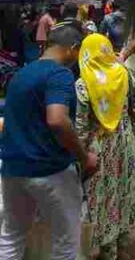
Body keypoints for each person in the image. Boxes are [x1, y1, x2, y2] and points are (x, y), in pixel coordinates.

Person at [0, 24, 98, 258]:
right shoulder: (59, 74)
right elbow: (57, 120)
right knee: (66, 242)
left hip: (13, 169)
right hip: (50, 171)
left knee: (11, 236)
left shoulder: (21, 74)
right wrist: (84, 157)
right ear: (73, 48)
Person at [75, 33, 135, 259]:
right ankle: (123, 247)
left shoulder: (83, 84)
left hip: (100, 146)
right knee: (124, 189)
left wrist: (80, 156)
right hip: (125, 140)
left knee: (104, 197)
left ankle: (108, 251)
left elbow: (81, 126)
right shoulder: (123, 74)